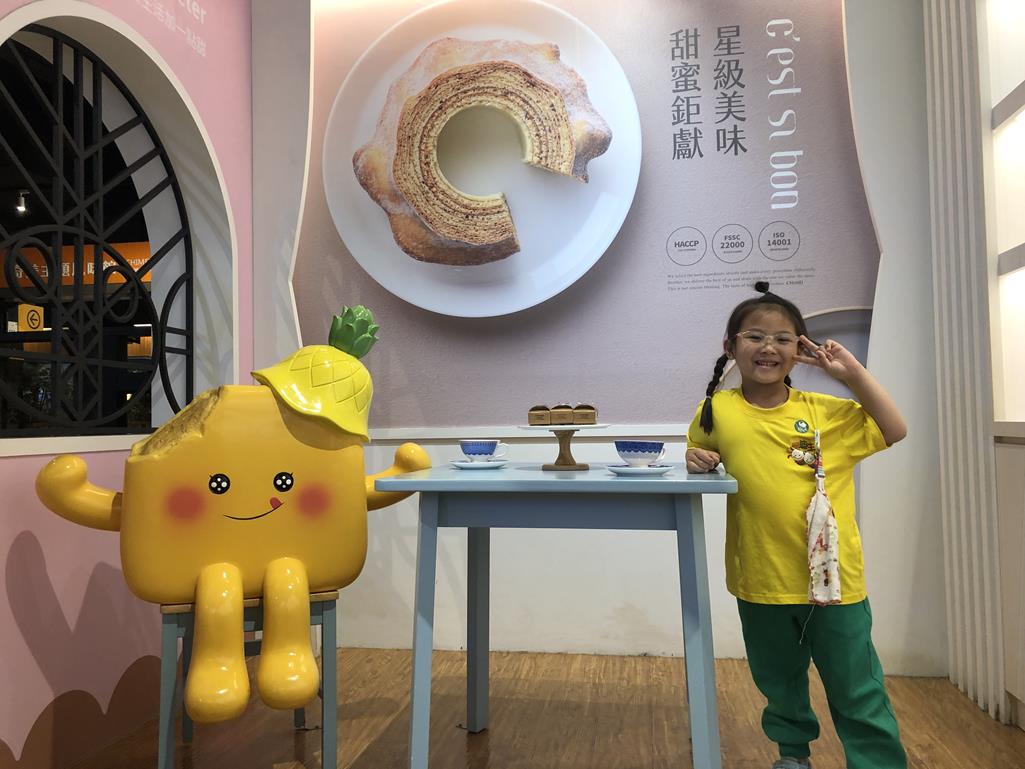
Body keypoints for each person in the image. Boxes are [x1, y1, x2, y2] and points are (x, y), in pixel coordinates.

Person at [685, 282, 908, 769]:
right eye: (754, 336)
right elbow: (700, 449)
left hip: (834, 583)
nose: (768, 347)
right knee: (778, 680)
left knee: (856, 685)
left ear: (800, 350)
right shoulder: (716, 410)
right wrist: (694, 458)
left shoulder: (825, 412)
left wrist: (851, 373)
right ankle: (792, 755)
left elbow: (895, 428)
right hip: (761, 577)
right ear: (730, 347)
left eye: (783, 338)